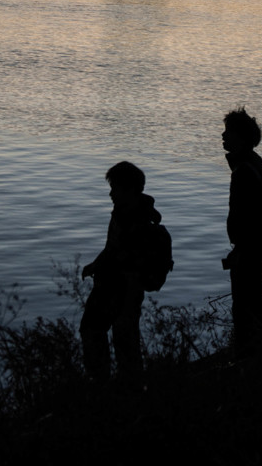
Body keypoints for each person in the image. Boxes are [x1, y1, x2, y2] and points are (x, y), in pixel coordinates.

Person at [79, 160, 162, 381]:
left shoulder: (139, 222)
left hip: (123, 290)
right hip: (110, 286)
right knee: (97, 332)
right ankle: (107, 382)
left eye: (115, 188)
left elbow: (126, 257)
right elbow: (111, 248)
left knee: (120, 338)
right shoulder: (121, 213)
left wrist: (111, 271)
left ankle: (114, 385)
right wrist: (95, 265)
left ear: (131, 190)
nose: (111, 194)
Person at [221, 107, 262, 355]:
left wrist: (241, 250)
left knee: (245, 304)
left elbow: (247, 217)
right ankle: (256, 351)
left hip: (251, 248)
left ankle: (248, 356)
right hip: (259, 245)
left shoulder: (245, 171)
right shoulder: (252, 163)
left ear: (241, 137)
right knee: (254, 301)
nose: (223, 136)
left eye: (228, 132)